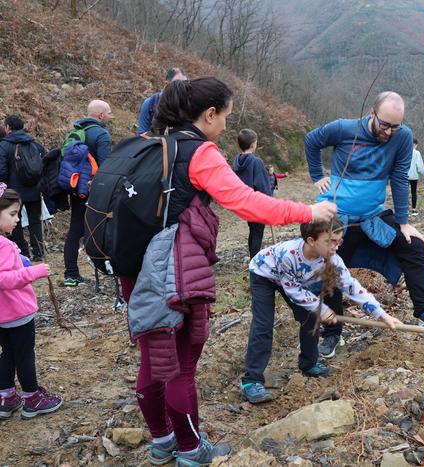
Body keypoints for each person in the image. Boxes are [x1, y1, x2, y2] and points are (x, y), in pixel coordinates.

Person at [118, 77, 337, 467]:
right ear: (209, 114)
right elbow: (248, 203)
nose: (225, 128)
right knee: (182, 365)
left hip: (136, 270)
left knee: (153, 360)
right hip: (174, 273)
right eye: (226, 117)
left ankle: (163, 440)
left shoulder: (149, 143)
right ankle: (190, 449)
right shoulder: (198, 152)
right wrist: (308, 212)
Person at [305, 91, 424, 359]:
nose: (388, 132)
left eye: (394, 126)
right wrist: (317, 176)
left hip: (373, 215)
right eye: (384, 124)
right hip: (336, 216)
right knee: (327, 266)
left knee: (413, 243)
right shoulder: (344, 129)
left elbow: (399, 177)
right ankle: (332, 333)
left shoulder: (402, 137)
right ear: (372, 114)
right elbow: (311, 140)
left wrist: (403, 222)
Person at [241, 217, 402, 403]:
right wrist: (323, 309)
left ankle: (308, 364)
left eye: (338, 241)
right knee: (263, 324)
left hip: (294, 281)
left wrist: (382, 315)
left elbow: (351, 287)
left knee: (311, 317)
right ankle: (251, 380)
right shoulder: (289, 255)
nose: (336, 246)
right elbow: (293, 290)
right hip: (264, 274)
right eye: (330, 241)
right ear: (311, 240)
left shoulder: (332, 259)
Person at [0, 184, 63, 420]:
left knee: (7, 353)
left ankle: (6, 396)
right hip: (17, 312)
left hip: (2, 315)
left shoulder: (5, 244)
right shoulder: (4, 245)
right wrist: (33, 272)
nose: (17, 219)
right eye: (12, 214)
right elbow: (4, 278)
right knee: (25, 354)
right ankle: (32, 397)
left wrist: (21, 259)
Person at [63, 100, 113, 287]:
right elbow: (106, 165)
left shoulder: (75, 133)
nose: (110, 116)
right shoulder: (101, 134)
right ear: (100, 115)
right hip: (96, 189)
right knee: (100, 225)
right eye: (109, 113)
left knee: (75, 227)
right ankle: (107, 267)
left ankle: (71, 273)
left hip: (76, 187)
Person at [0, 115, 47, 260]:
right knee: (35, 220)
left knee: (15, 220)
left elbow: (2, 170)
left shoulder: (4, 145)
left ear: (8, 127)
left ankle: (22, 251)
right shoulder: (35, 143)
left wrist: (4, 188)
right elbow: (44, 164)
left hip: (14, 191)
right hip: (34, 189)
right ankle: (39, 252)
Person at [232, 129, 272, 258]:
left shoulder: (237, 161)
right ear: (253, 144)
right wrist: (270, 203)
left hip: (244, 202)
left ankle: (252, 258)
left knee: (253, 230)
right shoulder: (256, 162)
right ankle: (254, 261)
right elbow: (263, 185)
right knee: (257, 232)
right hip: (257, 203)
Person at [137, 68, 187, 134]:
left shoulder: (187, 106)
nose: (181, 87)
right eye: (177, 83)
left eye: (185, 83)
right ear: (166, 84)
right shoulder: (150, 103)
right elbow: (141, 134)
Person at [407, 137, 424, 214]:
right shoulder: (417, 153)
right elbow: (419, 165)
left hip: (405, 175)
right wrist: (422, 173)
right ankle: (414, 210)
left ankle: (406, 210)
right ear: (414, 144)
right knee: (414, 192)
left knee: (405, 192)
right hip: (414, 176)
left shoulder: (404, 151)